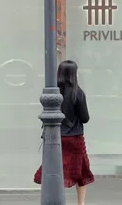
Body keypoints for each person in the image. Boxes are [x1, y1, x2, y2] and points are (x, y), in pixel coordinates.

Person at [34, 60, 94, 205]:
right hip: (74, 138)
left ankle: (50, 199)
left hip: (55, 137)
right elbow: (85, 118)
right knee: (81, 170)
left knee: (53, 168)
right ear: (73, 74)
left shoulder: (52, 92)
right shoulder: (78, 93)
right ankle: (81, 203)